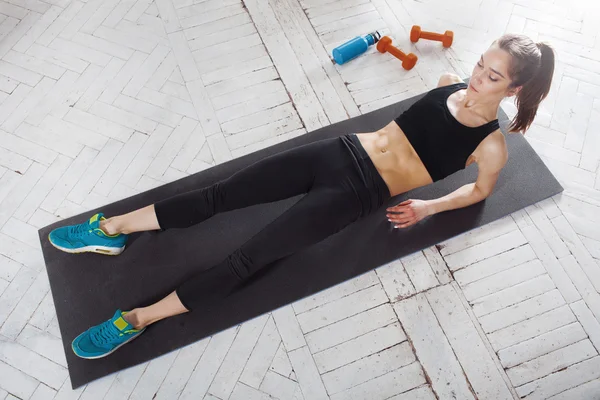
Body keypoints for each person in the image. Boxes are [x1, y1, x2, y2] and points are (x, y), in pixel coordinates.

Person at [48, 33, 555, 359]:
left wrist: (428, 206)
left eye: (492, 77)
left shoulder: (491, 146)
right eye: (482, 64)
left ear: (511, 90)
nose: (476, 79)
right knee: (219, 195)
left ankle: (134, 321)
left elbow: (480, 190)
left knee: (247, 259)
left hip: (358, 194)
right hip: (338, 152)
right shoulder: (446, 82)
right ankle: (110, 230)